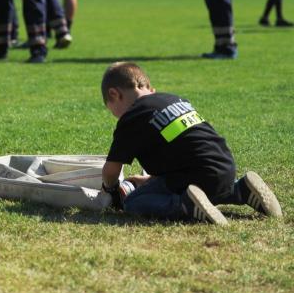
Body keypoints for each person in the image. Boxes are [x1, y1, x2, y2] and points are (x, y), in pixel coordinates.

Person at [100, 62, 282, 224]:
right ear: (150, 89)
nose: (117, 116)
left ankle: (185, 205)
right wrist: (150, 180)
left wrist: (111, 189)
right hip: (224, 168)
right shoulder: (173, 99)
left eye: (113, 111)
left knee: (134, 202)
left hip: (195, 175)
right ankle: (241, 189)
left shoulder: (132, 117)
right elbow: (182, 150)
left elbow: (111, 171)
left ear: (114, 94)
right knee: (208, 187)